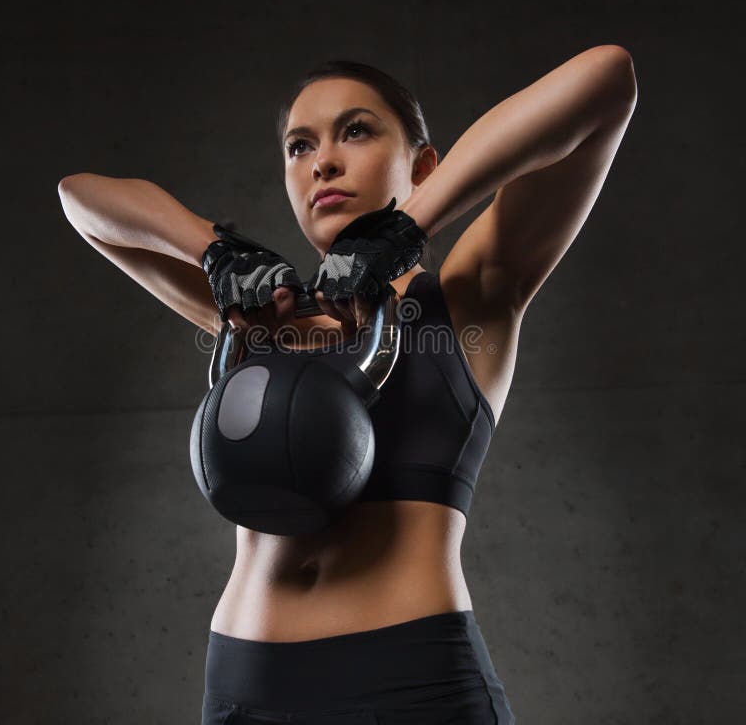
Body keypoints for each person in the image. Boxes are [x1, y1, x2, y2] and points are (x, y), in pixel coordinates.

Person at [58, 49, 637, 724]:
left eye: (355, 131)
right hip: (247, 689)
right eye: (299, 145)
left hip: (409, 682)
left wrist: (410, 224)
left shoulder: (470, 297)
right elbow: (80, 198)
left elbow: (606, 80)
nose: (322, 162)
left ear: (422, 165)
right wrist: (213, 252)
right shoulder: (256, 320)